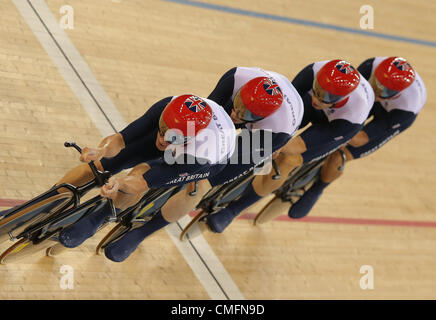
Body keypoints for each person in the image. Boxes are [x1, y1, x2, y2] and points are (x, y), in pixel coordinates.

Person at [52, 94, 236, 262]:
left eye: (173, 138)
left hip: (204, 161)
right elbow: (120, 139)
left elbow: (141, 183)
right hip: (185, 133)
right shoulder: (169, 106)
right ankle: (50, 200)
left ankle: (100, 218)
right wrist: (100, 151)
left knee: (140, 174)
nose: (164, 140)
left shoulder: (201, 154)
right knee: (103, 164)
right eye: (163, 129)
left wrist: (119, 183)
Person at [206, 59, 374, 232]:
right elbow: (283, 115)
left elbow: (298, 145)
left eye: (326, 96)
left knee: (287, 160)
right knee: (258, 131)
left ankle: (234, 209)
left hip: (335, 126)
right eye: (317, 88)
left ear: (342, 98)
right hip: (305, 107)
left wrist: (273, 147)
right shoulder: (314, 71)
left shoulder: (353, 114)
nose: (317, 98)